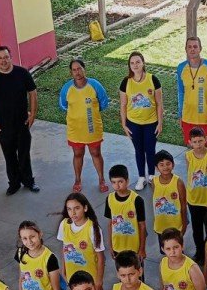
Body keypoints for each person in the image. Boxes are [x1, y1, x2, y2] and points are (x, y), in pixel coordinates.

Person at [0, 45, 41, 196]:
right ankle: (13, 184)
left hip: (22, 123)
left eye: (6, 57)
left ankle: (29, 181)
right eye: (0, 58)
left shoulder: (22, 73)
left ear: (11, 57)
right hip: (3, 126)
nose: (3, 61)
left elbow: (33, 93)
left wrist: (32, 114)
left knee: (24, 154)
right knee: (9, 156)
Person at [59, 58, 110, 193]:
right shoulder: (67, 88)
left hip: (92, 128)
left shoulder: (95, 85)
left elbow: (104, 102)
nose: (77, 72)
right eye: (74, 70)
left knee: (96, 153)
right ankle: (77, 179)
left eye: (79, 69)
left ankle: (101, 179)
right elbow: (63, 105)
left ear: (84, 69)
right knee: (78, 154)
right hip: (75, 129)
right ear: (71, 72)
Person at [119, 51, 164, 190]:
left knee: (150, 149)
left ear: (143, 63)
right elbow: (123, 105)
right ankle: (141, 177)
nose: (135, 65)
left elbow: (159, 103)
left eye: (138, 62)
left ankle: (151, 175)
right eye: (132, 63)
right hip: (133, 123)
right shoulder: (126, 82)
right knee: (139, 150)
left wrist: (160, 123)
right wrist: (124, 124)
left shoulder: (153, 79)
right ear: (129, 65)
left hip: (151, 122)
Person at [57, 193, 105, 290]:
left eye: (77, 208)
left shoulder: (92, 228)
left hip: (90, 279)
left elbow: (100, 257)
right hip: (72, 278)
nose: (73, 213)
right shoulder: (64, 224)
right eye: (69, 209)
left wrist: (99, 282)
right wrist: (63, 270)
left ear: (85, 208)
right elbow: (64, 249)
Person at [176, 37, 207, 144]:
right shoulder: (181, 67)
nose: (192, 49)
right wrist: (180, 114)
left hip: (205, 117)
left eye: (195, 46)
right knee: (191, 148)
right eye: (189, 47)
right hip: (187, 117)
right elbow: (181, 92)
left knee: (206, 149)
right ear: (186, 49)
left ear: (200, 48)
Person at [185, 126, 207, 264]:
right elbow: (190, 174)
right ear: (190, 142)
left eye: (200, 141)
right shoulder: (188, 156)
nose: (198, 144)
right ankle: (199, 251)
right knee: (196, 228)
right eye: (195, 142)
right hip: (193, 198)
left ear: (205, 140)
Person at [104, 165, 146, 263]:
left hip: (134, 248)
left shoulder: (137, 200)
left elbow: (142, 226)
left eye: (120, 182)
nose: (117, 185)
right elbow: (110, 224)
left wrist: (142, 249)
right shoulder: (109, 199)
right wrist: (111, 246)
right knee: (122, 275)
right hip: (117, 247)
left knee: (137, 275)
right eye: (113, 182)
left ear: (127, 181)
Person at [152, 150, 187, 254]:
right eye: (161, 165)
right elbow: (156, 203)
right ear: (156, 168)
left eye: (168, 164)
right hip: (161, 225)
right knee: (165, 251)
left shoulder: (178, 182)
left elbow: (184, 204)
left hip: (175, 225)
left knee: (176, 250)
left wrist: (184, 224)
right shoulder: (154, 182)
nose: (165, 167)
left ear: (173, 165)